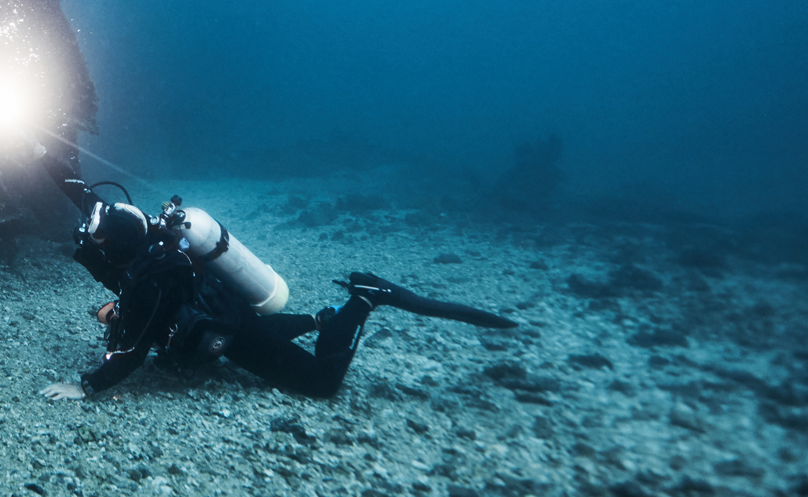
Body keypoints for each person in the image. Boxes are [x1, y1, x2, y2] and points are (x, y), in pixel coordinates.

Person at [36, 163, 515, 402]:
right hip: (225, 306)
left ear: (115, 243)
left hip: (226, 328)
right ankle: (316, 319)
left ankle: (366, 298)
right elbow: (86, 199)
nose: (89, 236)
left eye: (95, 239)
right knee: (260, 331)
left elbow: (134, 348)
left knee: (320, 384)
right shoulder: (138, 229)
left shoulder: (147, 281)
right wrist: (46, 161)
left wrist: (89, 385)